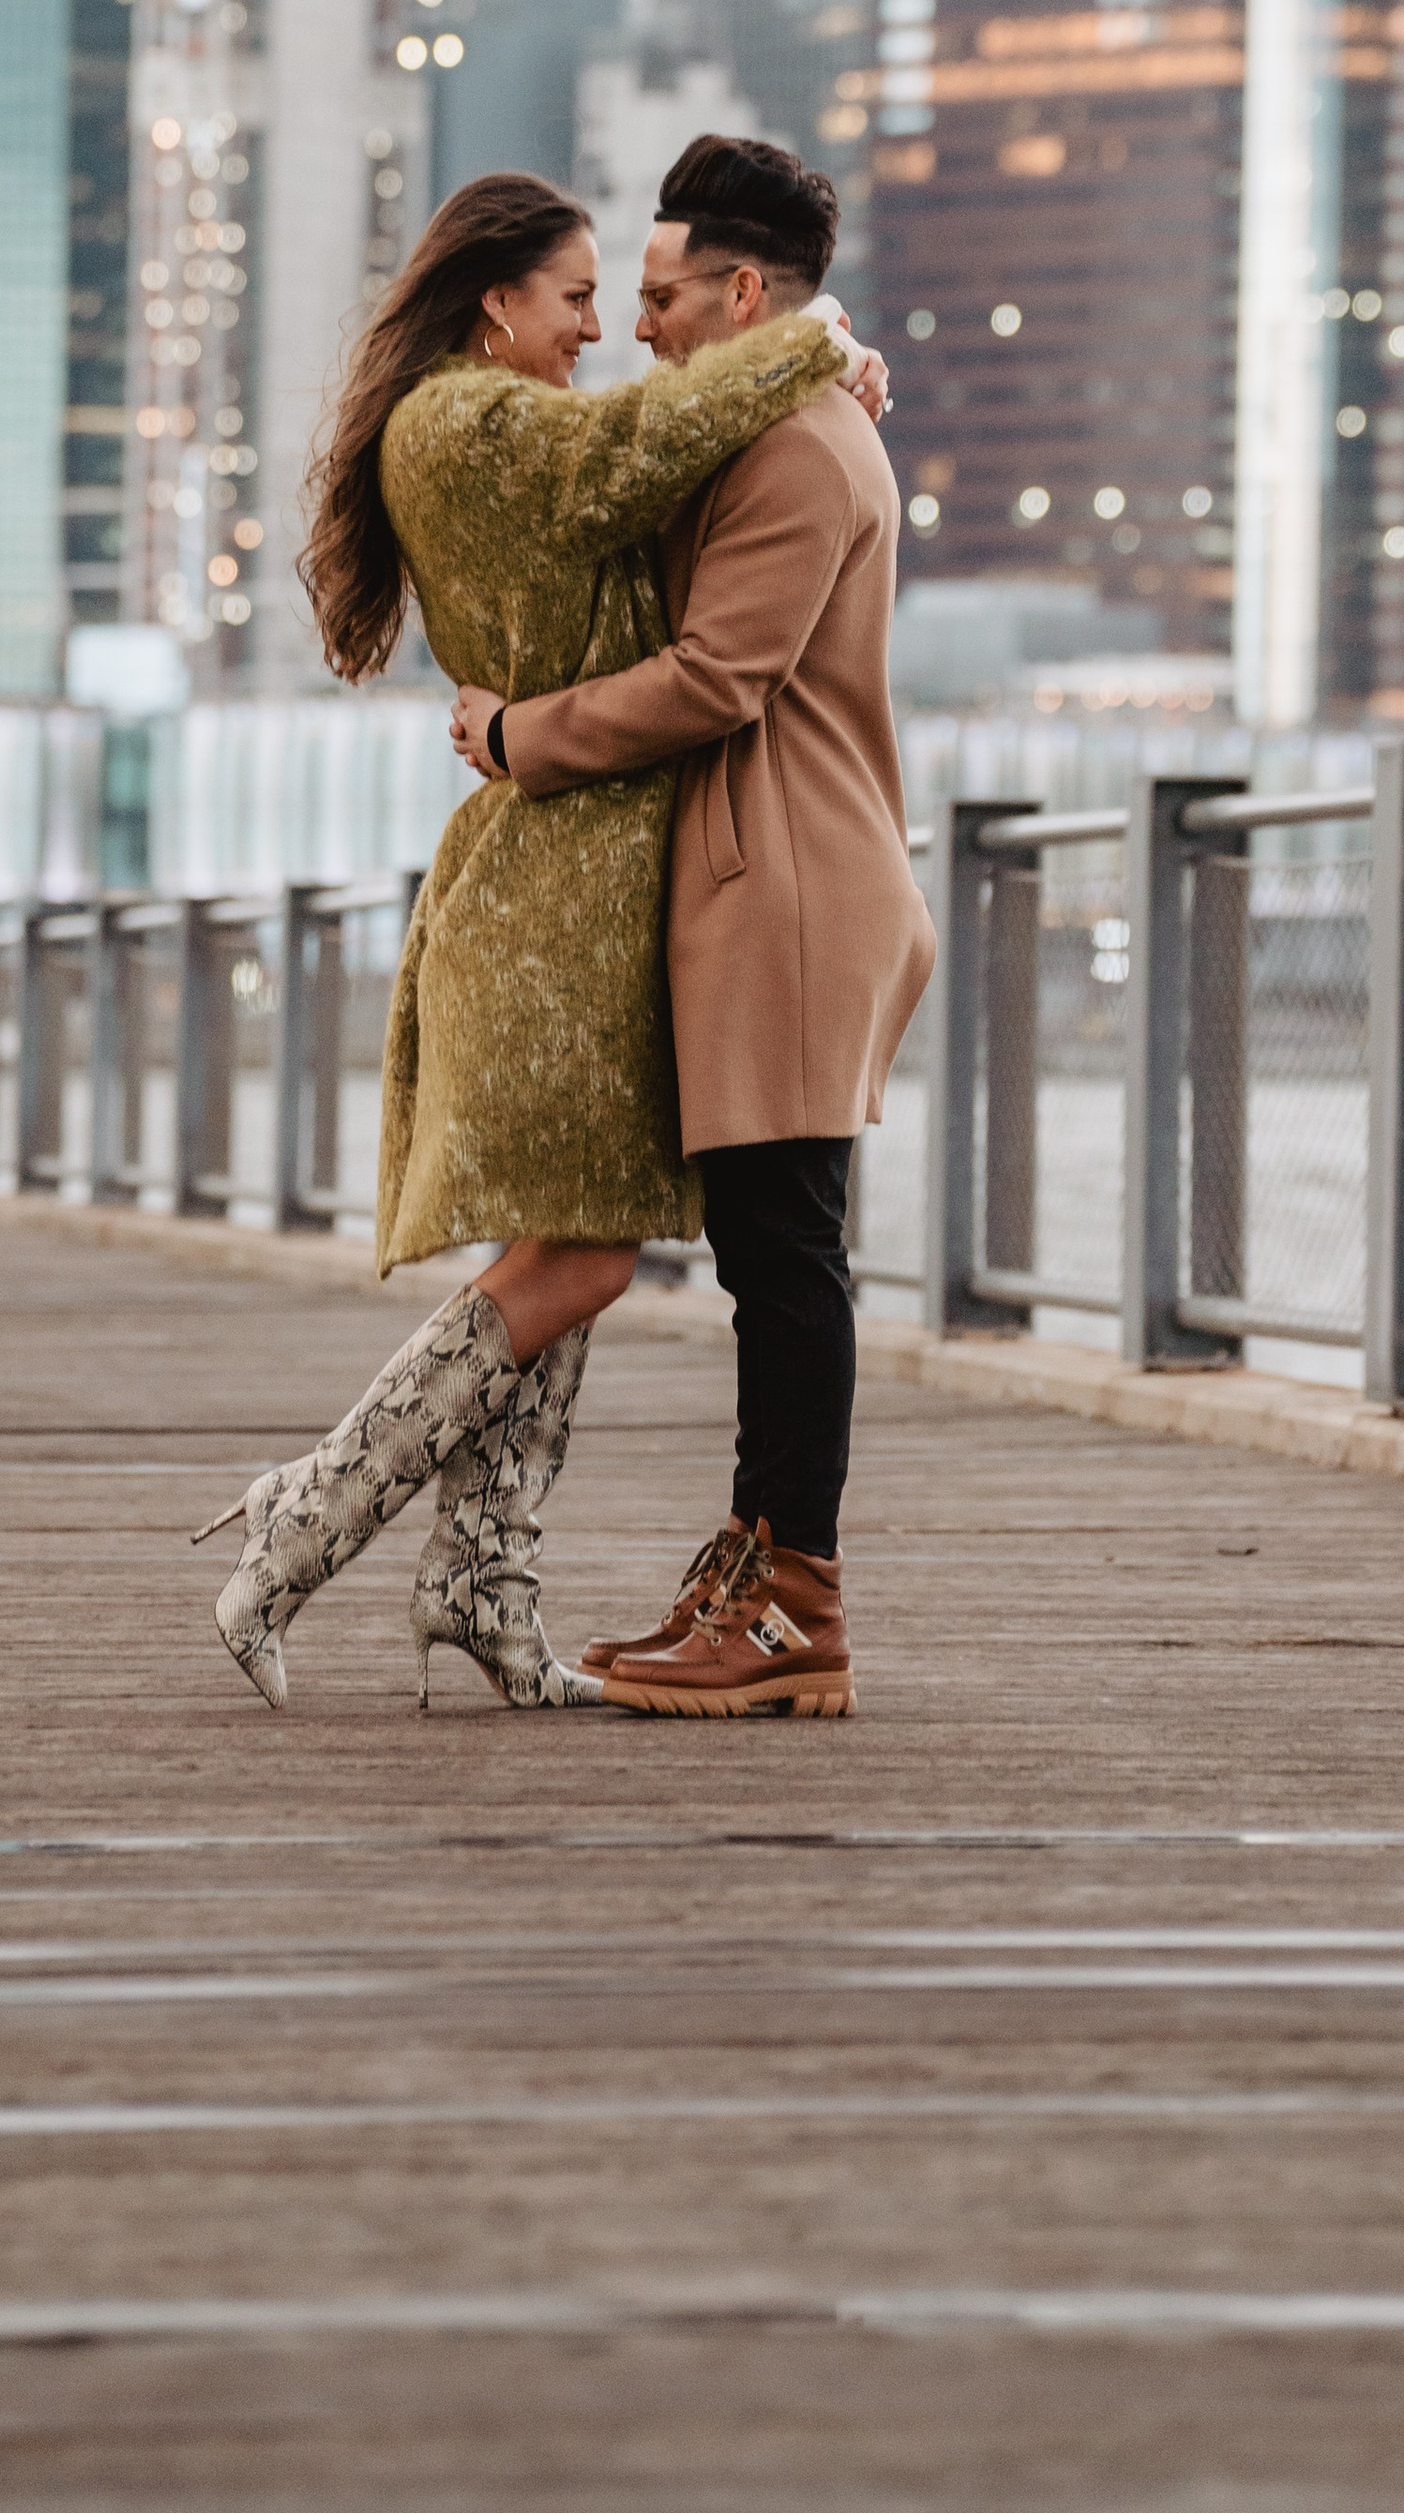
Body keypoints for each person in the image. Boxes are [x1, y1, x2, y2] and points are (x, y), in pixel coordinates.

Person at [194, 169, 877, 1712]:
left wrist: (815, 357)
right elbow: (636, 467)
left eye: (631, 296)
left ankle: (485, 1580)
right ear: (495, 299)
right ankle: (308, 1521)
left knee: (581, 1240)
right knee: (579, 1250)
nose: (610, 329)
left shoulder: (486, 417)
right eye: (581, 298)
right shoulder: (469, 422)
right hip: (562, 863)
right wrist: (818, 344)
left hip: (595, 857)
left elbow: (656, 477)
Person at [451, 135, 934, 1718]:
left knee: (787, 1259)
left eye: (658, 297)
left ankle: (794, 1603)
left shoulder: (797, 443)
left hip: (790, 886)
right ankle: (757, 1571)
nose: (637, 326)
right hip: (768, 876)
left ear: (740, 295)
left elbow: (723, 675)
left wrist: (525, 733)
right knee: (770, 1253)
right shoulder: (778, 413)